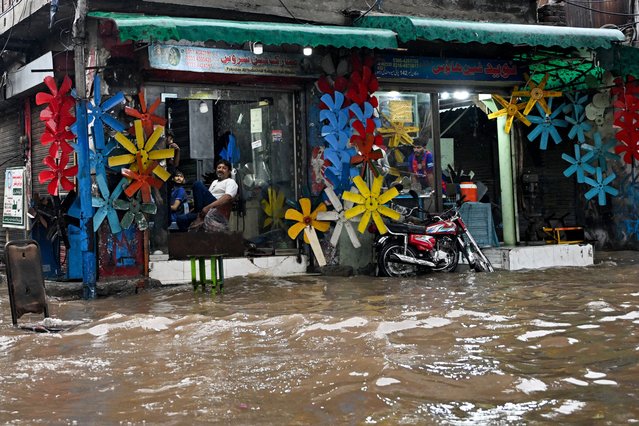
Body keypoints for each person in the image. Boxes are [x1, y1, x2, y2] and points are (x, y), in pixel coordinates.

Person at [176, 159, 238, 231]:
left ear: (229, 171)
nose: (221, 170)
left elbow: (228, 197)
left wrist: (208, 207)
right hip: (207, 207)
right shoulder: (215, 182)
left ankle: (199, 216)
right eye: (219, 167)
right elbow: (204, 198)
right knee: (181, 219)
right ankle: (189, 239)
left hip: (216, 208)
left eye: (224, 168)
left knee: (198, 184)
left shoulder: (230, 181)